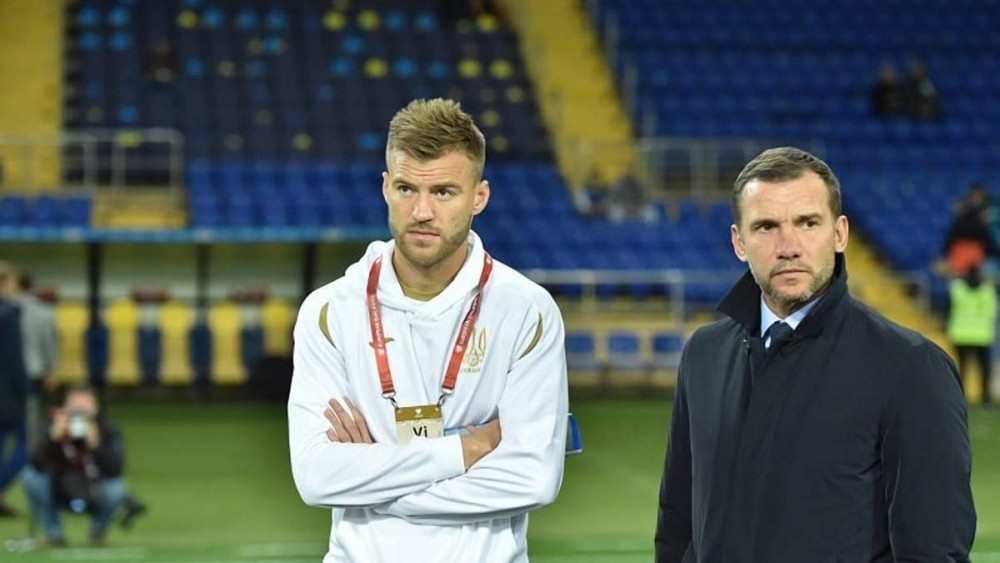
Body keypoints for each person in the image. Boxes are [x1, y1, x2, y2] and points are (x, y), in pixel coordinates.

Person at [655, 147, 975, 562]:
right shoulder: (704, 355)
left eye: (807, 223)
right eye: (766, 226)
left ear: (840, 234)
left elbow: (934, 551)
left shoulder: (911, 368)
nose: (788, 246)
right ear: (739, 242)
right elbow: (676, 526)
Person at [288, 98, 569, 562]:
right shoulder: (329, 311)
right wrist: (466, 449)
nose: (421, 211)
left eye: (443, 192)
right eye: (406, 189)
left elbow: (533, 479)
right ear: (385, 188)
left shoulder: (526, 311)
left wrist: (371, 481)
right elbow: (317, 478)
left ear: (479, 197)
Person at [21, 384, 145, 546]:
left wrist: (96, 445)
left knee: (116, 488)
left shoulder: (107, 428)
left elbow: (115, 468)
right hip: (58, 487)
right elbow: (35, 463)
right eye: (75, 405)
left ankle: (98, 534)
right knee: (31, 478)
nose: (79, 412)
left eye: (85, 405)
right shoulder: (50, 424)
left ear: (96, 408)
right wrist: (53, 440)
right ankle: (54, 534)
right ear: (65, 406)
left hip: (95, 489)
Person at [1, 267, 59, 440]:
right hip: (29, 372)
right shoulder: (40, 311)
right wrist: (51, 368)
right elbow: (48, 343)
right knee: (27, 431)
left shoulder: (12, 309)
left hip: (6, 374)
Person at [947, 265, 996, 405]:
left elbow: (948, 309)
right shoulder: (988, 290)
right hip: (982, 335)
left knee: (963, 369)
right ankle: (986, 400)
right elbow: (991, 313)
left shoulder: (957, 288)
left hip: (961, 334)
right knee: (984, 369)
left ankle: (960, 398)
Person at [0, 265, 27, 518]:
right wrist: (24, 386)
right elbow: (13, 356)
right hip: (7, 393)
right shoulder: (9, 314)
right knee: (27, 444)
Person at [941, 183, 999, 276]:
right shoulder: (962, 220)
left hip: (984, 254)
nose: (977, 198)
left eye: (979, 196)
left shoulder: (993, 209)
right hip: (966, 253)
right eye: (975, 196)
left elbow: (989, 243)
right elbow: (950, 239)